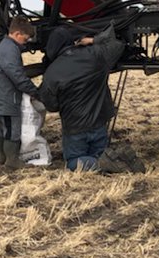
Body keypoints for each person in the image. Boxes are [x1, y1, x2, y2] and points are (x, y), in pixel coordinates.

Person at [39, 23, 127, 171]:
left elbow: (50, 105)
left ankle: (101, 165)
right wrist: (92, 40)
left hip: (75, 127)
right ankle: (106, 161)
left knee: (73, 162)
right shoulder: (95, 55)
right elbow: (117, 44)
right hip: (100, 122)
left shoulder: (52, 72)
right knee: (99, 154)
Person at [0, 16, 40, 169]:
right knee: (12, 129)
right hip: (5, 97)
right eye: (25, 39)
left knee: (4, 127)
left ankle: (3, 157)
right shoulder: (10, 50)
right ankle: (12, 160)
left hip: (0, 95)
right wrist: (34, 91)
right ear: (17, 34)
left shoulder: (7, 46)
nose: (26, 42)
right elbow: (17, 76)